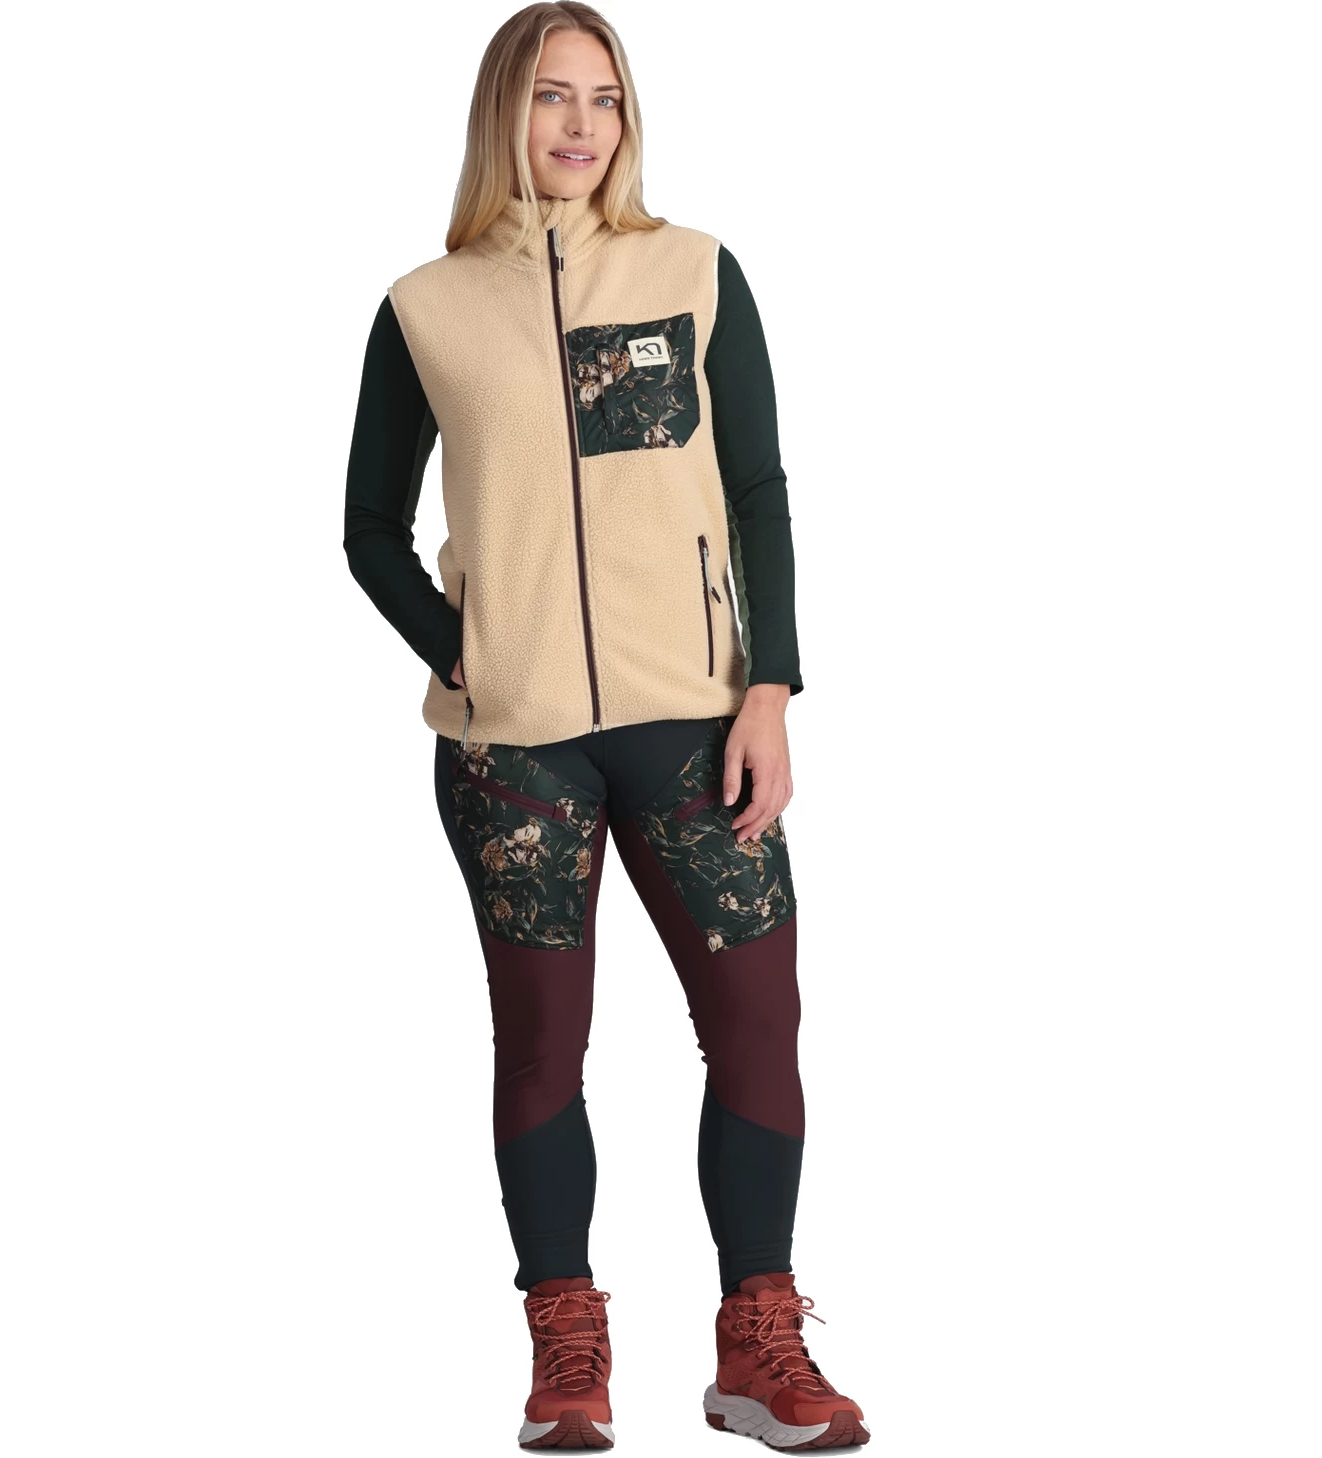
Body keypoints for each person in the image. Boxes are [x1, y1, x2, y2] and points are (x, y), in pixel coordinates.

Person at [342, 4, 871, 1449]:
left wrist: (770, 687)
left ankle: (757, 1340)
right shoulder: (425, 307)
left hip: (695, 723)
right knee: (540, 1044)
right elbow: (367, 528)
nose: (579, 125)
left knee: (757, 1021)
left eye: (604, 98)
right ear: (500, 115)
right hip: (512, 750)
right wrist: (470, 651)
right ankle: (565, 1345)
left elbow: (756, 490)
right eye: (549, 96)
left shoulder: (693, 271)